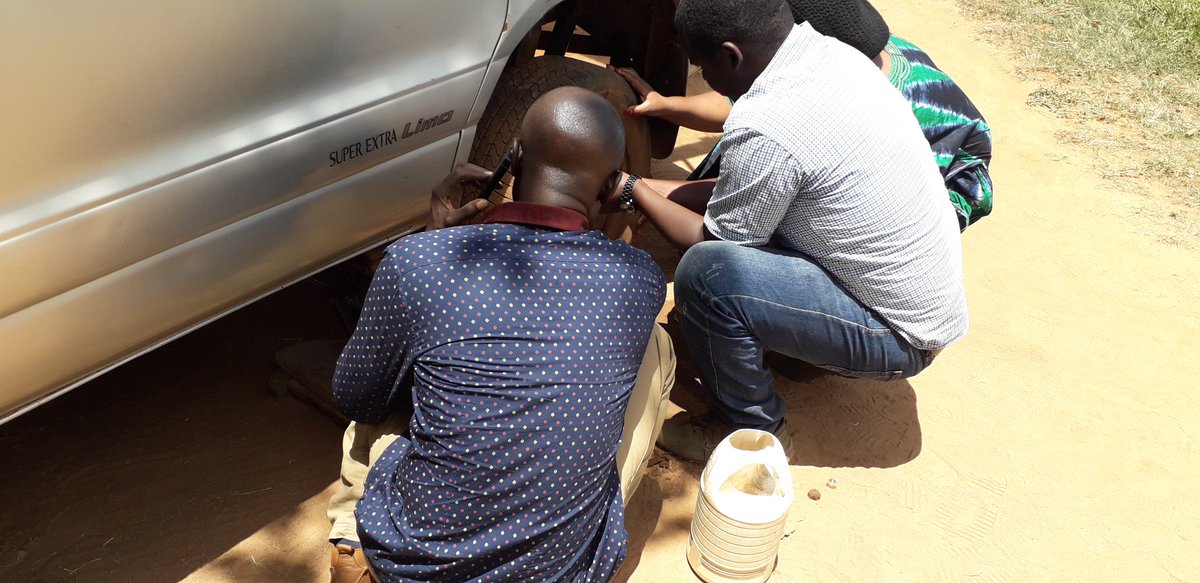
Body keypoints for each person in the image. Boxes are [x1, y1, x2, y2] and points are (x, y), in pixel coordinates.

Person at [325, 87, 675, 583]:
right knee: (656, 345)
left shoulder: (417, 263)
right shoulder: (638, 279)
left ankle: (350, 544)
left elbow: (357, 398)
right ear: (609, 188)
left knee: (397, 356)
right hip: (559, 573)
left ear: (515, 158)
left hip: (413, 566)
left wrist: (434, 243)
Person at [602, 0, 968, 462]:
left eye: (702, 66)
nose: (704, 77)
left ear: (731, 56)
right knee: (750, 238)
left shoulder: (768, 124)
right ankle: (791, 349)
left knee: (706, 274)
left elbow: (712, 243)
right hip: (920, 304)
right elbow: (758, 185)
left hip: (896, 336)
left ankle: (752, 428)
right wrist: (652, 189)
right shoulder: (831, 56)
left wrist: (632, 189)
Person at [612, 0, 993, 230]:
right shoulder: (863, 51)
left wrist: (639, 189)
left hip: (928, 201)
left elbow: (759, 191)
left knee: (738, 244)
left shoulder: (837, 111)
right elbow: (736, 102)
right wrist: (666, 105)